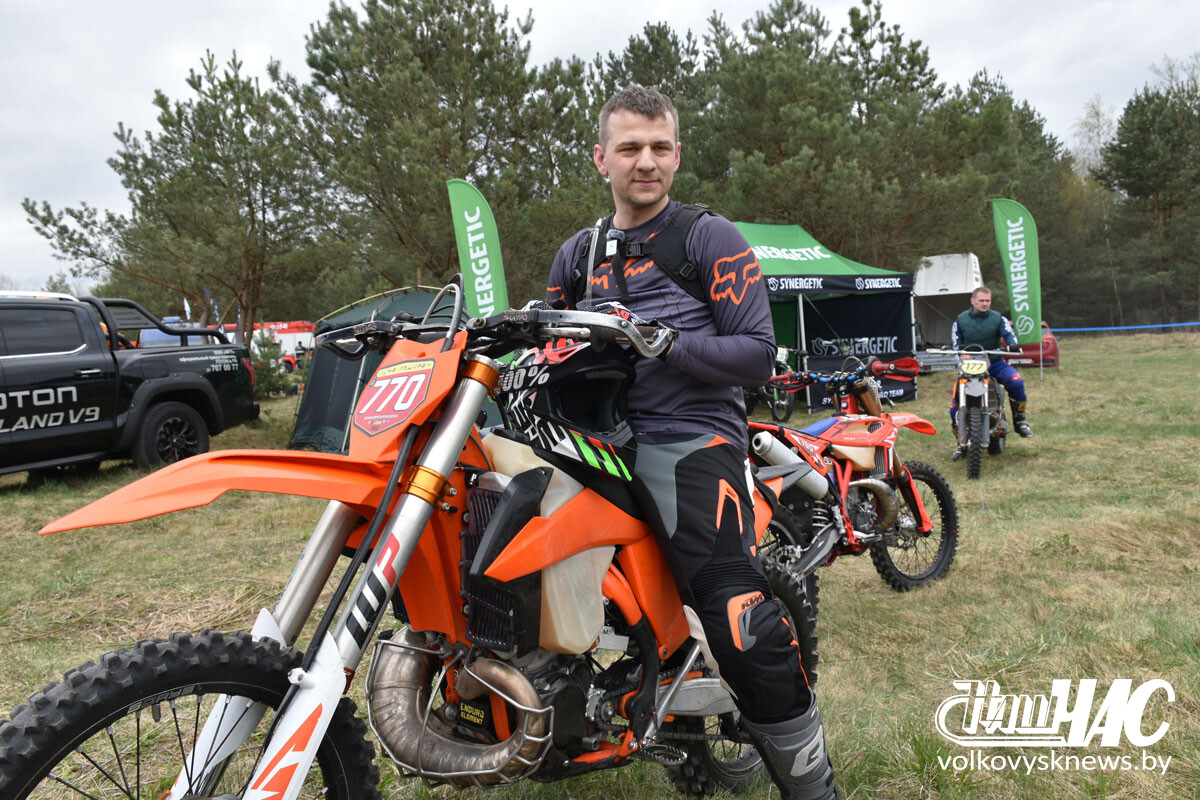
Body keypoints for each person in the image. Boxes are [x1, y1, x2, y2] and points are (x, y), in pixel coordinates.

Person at [546, 85, 838, 800]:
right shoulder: (576, 256)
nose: (645, 162)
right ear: (601, 159)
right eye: (629, 148)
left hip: (688, 437)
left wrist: (665, 342)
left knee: (737, 617)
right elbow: (549, 345)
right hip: (590, 439)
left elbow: (757, 354)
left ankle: (814, 788)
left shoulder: (709, 238)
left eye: (659, 147)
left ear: (676, 155)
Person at [949, 286, 1032, 460]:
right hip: (970, 366)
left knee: (1016, 382)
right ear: (973, 301)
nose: (985, 304)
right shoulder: (961, 320)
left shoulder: (998, 318)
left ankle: (1020, 422)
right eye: (981, 300)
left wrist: (1012, 344)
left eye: (988, 301)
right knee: (955, 405)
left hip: (995, 363)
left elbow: (1009, 335)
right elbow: (956, 344)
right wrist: (960, 357)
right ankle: (960, 444)